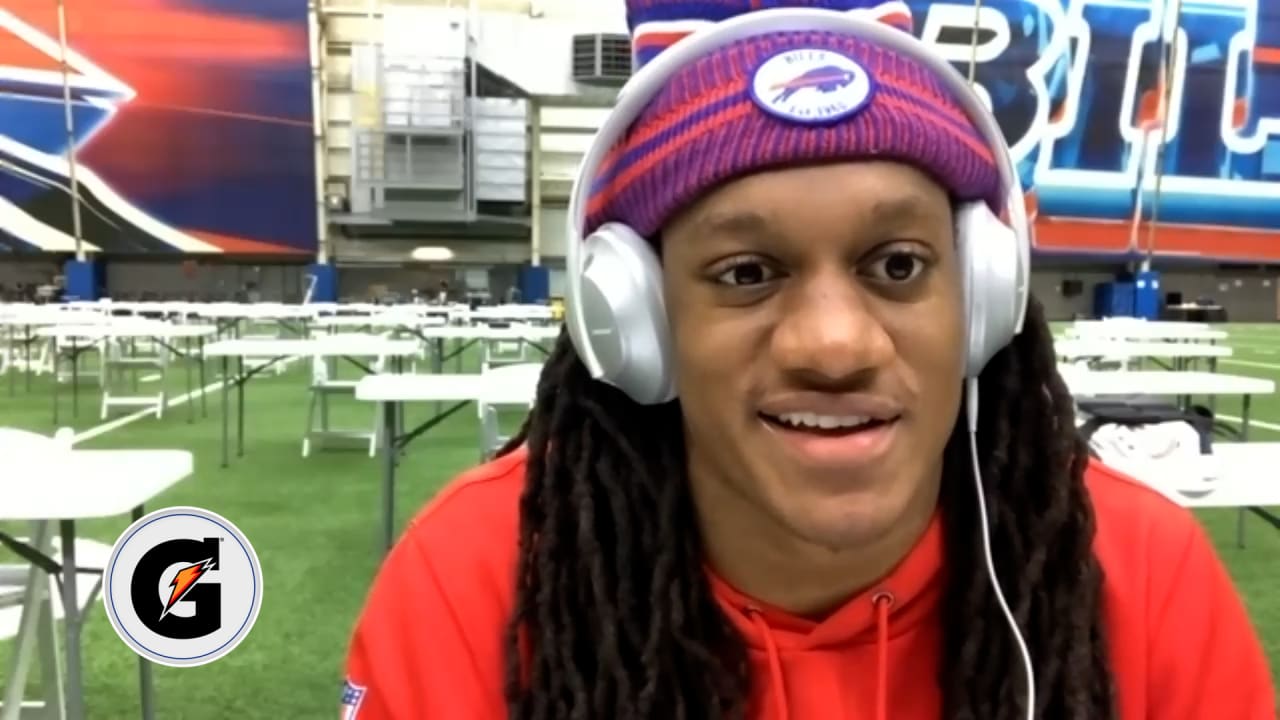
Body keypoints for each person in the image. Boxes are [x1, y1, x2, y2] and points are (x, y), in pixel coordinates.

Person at [342, 3, 1275, 719]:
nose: (835, 344)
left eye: (898, 266)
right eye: (746, 273)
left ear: (982, 299)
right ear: (633, 322)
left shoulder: (1137, 572)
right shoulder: (478, 580)